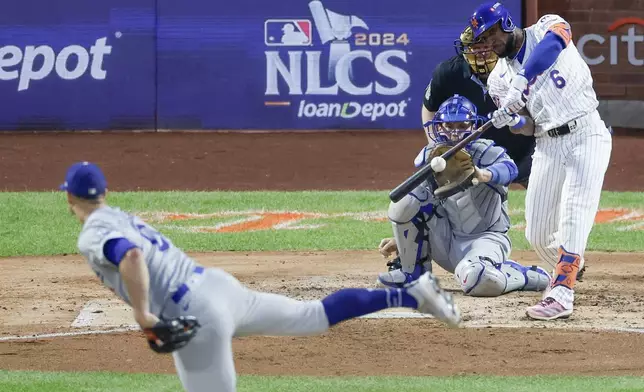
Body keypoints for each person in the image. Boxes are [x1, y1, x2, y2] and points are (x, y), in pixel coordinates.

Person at [59, 161, 460, 392]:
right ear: (104, 193)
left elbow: (129, 255)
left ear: (69, 196)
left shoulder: (95, 230)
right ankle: (413, 295)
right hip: (218, 287)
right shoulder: (119, 215)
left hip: (196, 314)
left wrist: (143, 315)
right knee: (313, 315)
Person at [468, 2, 612, 319]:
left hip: (586, 132)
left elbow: (555, 42)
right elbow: (529, 125)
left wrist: (523, 81)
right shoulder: (497, 81)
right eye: (483, 38)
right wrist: (512, 121)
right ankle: (571, 265)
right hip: (547, 144)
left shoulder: (546, 26)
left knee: (574, 213)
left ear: (506, 23)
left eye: (491, 33)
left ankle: (561, 293)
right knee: (537, 233)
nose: (488, 42)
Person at [377, 95, 551, 298]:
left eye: (462, 125)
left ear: (472, 126)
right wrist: (405, 241)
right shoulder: (431, 158)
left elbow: (510, 170)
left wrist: (483, 174)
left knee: (481, 281)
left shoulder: (486, 152)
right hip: (446, 239)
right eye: (449, 125)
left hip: (486, 239)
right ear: (439, 127)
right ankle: (412, 274)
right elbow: (418, 207)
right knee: (404, 201)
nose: (455, 132)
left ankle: (520, 274)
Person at [422, 25, 535, 187]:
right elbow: (429, 107)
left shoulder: (517, 70)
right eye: (475, 48)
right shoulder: (448, 72)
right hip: (477, 153)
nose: (481, 55)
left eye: (486, 48)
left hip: (523, 146)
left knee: (542, 198)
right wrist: (435, 144)